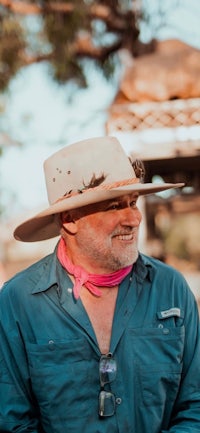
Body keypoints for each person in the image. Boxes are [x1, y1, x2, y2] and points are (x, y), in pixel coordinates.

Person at [0, 136, 200, 433]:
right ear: (69, 219)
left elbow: (194, 404)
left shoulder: (170, 288)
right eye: (113, 206)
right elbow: (12, 420)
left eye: (133, 202)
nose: (133, 218)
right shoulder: (18, 301)